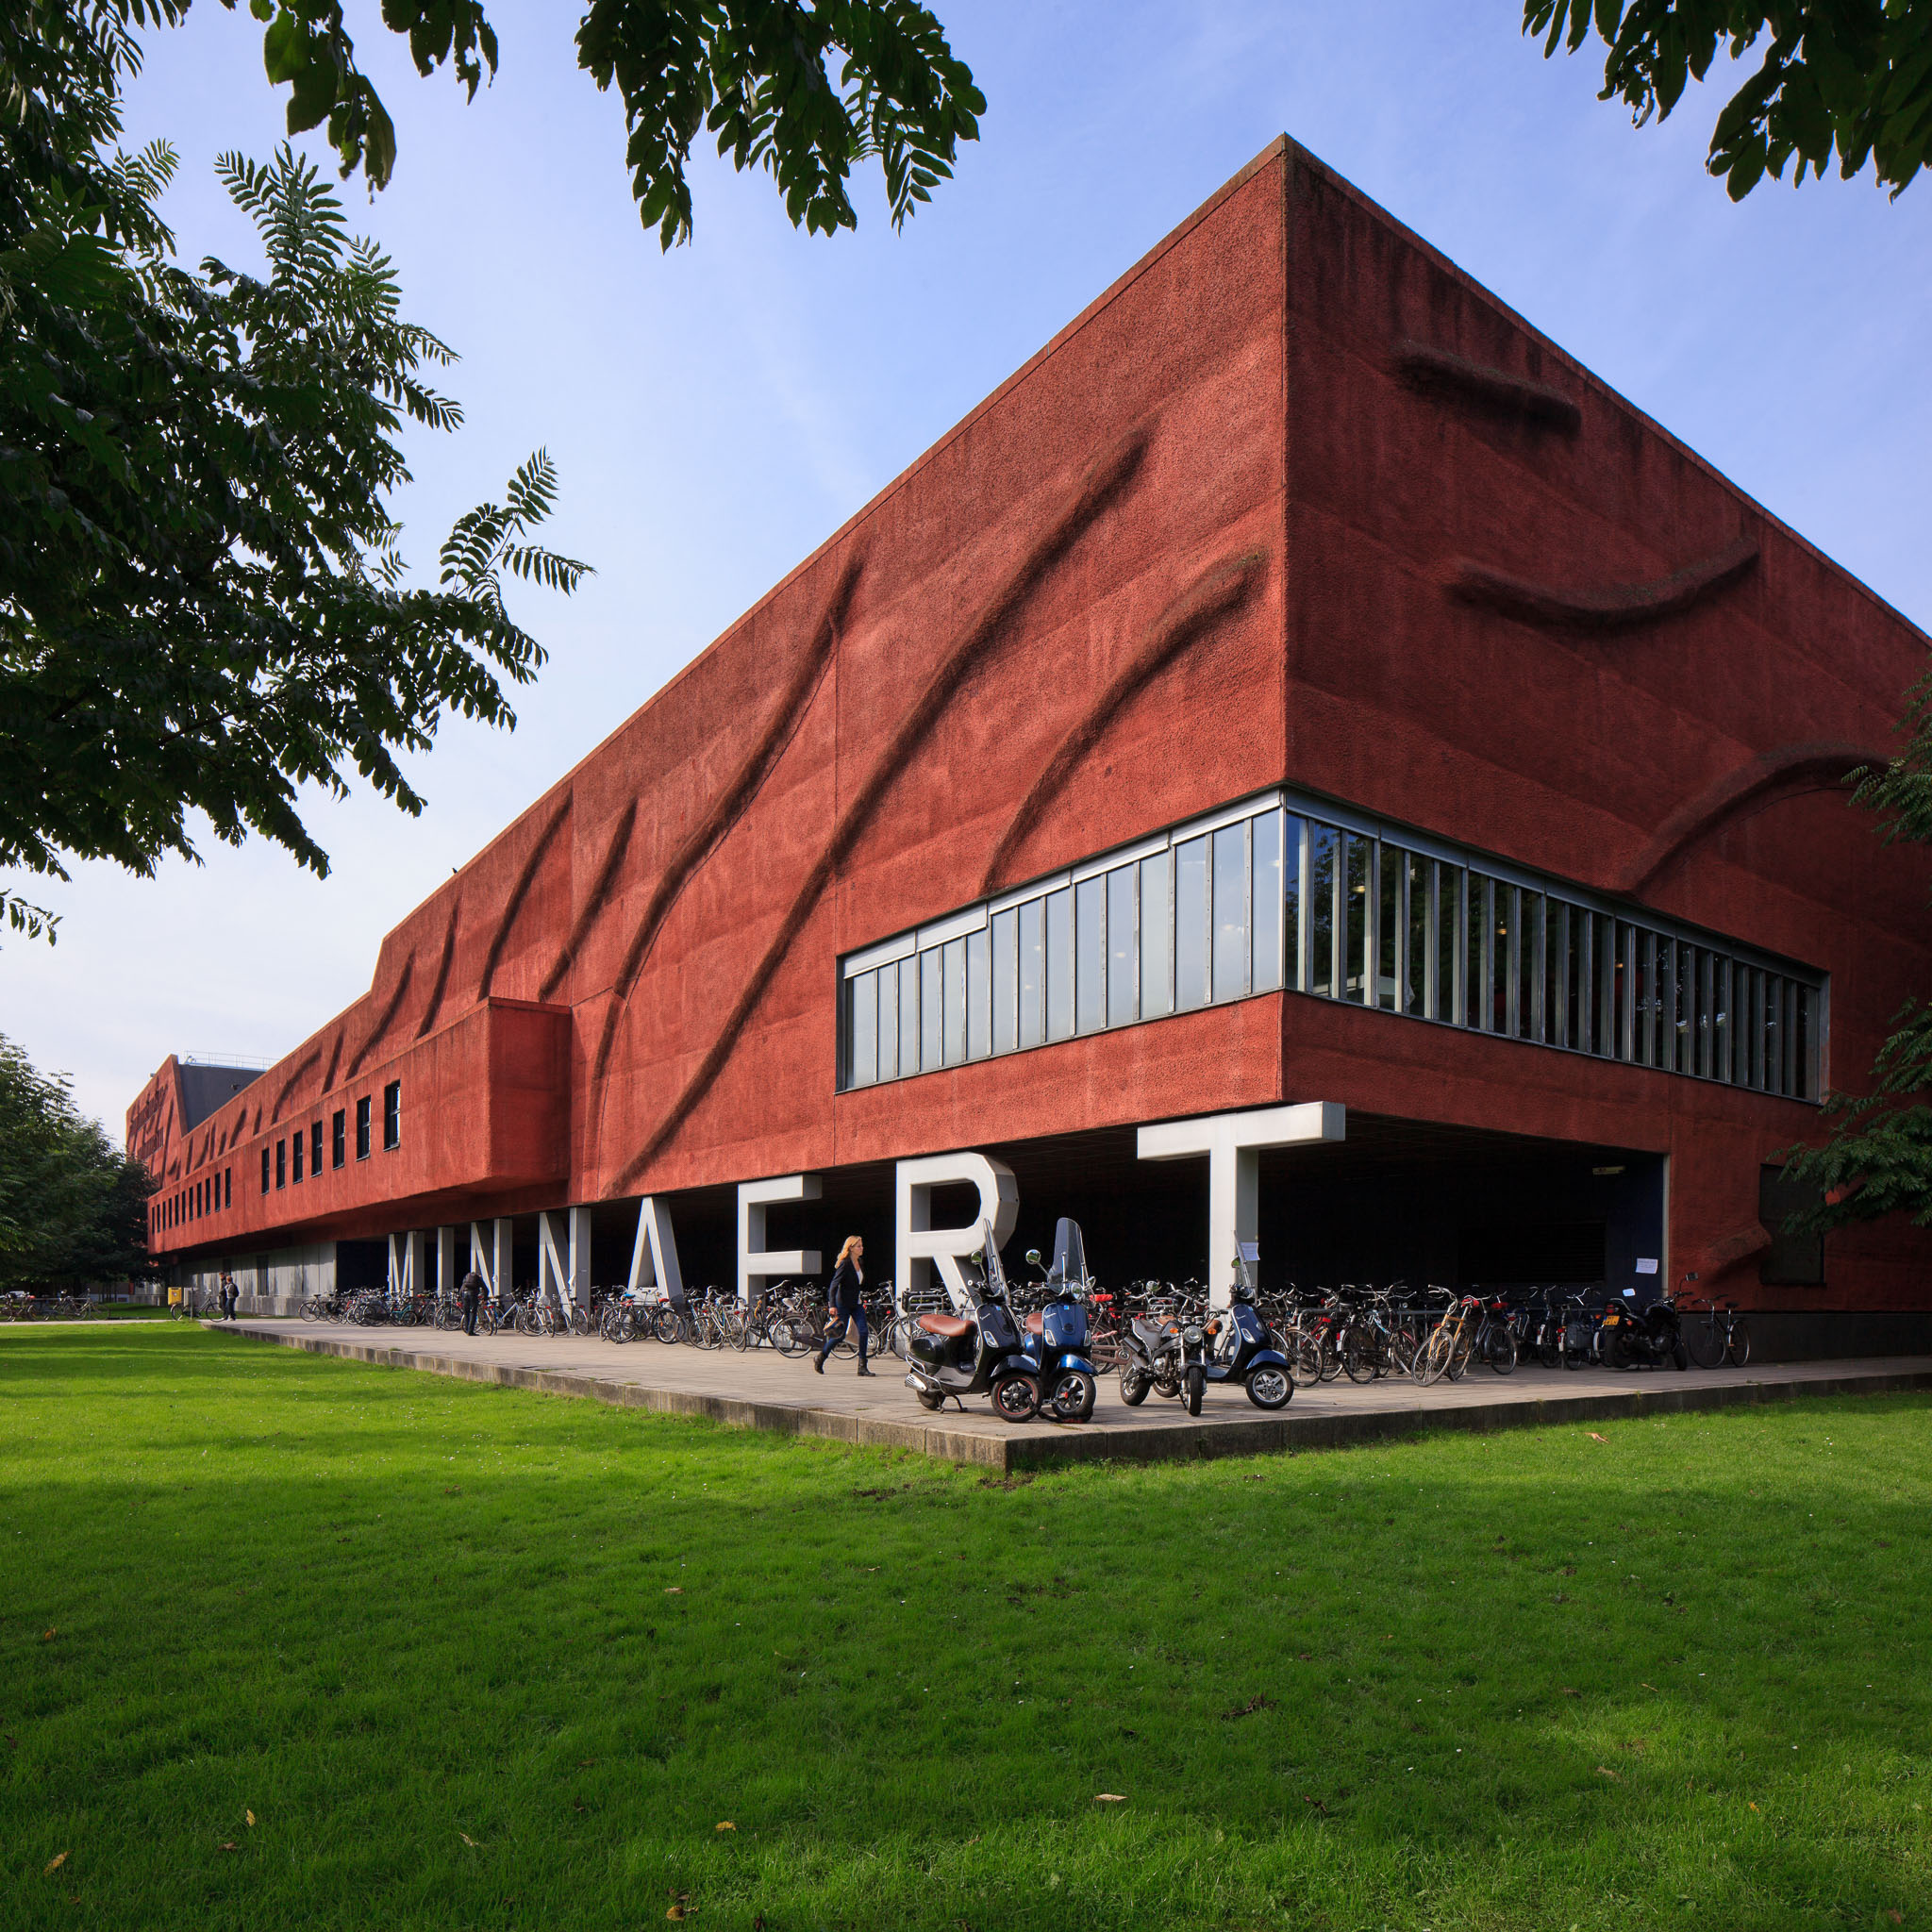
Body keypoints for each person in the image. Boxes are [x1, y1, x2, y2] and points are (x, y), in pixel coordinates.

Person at [812, 1235, 873, 1376]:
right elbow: (834, 1285)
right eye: (859, 1246)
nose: (862, 1248)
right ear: (851, 1248)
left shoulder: (860, 1262)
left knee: (863, 1332)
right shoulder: (845, 1264)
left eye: (862, 1245)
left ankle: (862, 1367)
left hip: (856, 1304)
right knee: (839, 1335)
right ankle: (820, 1357)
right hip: (843, 1304)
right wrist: (832, 1305)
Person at [459, 1265, 485, 1337]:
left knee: (466, 1313)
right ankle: (470, 1331)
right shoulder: (478, 1279)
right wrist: (485, 1298)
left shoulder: (466, 1279)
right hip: (473, 1295)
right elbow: (485, 1289)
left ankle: (467, 1330)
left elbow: (461, 1290)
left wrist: (462, 1297)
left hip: (465, 1295)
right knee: (473, 1313)